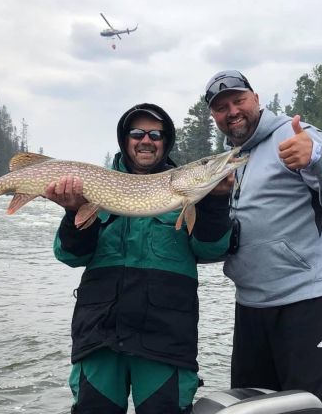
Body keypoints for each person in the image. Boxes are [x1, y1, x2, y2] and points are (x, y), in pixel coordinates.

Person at [45, 103, 233, 414]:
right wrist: (72, 211)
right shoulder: (95, 187)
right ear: (125, 139)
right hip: (100, 337)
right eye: (137, 133)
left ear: (165, 141)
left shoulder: (187, 197)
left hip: (166, 339)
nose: (146, 140)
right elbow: (69, 256)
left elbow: (211, 250)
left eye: (156, 134)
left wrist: (215, 201)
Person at [204, 70, 322, 414]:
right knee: (257, 409)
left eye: (238, 100)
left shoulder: (297, 136)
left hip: (311, 301)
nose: (232, 111)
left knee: (321, 407)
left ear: (256, 99)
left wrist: (318, 158)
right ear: (214, 117)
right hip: (251, 309)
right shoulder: (227, 161)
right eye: (221, 107)